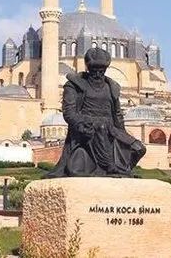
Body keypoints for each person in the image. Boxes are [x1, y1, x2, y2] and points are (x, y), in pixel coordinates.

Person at [46, 48, 146, 178]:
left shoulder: (111, 87)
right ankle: (110, 167)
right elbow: (69, 112)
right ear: (88, 69)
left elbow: (117, 115)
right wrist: (81, 125)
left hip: (111, 129)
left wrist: (124, 136)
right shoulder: (74, 85)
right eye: (94, 71)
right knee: (100, 127)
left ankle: (124, 170)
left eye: (101, 71)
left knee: (139, 149)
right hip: (87, 128)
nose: (98, 74)